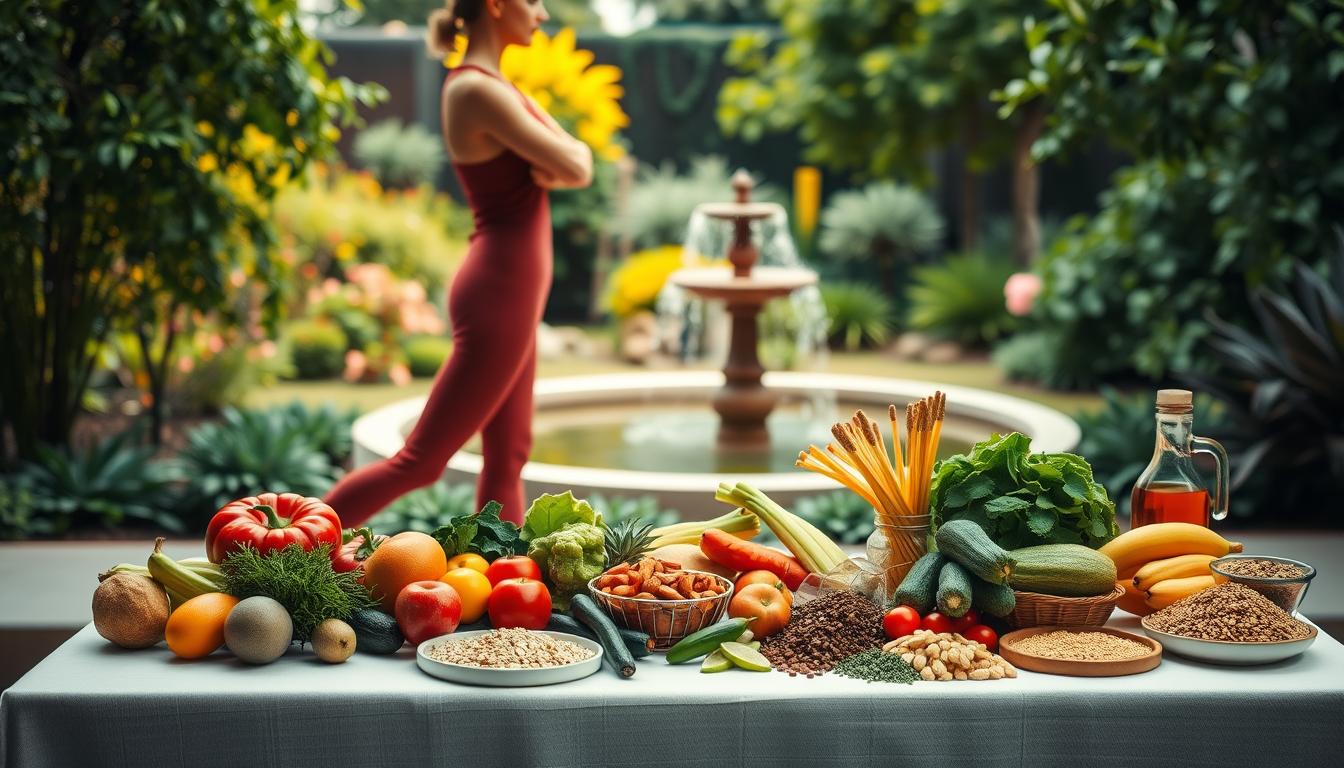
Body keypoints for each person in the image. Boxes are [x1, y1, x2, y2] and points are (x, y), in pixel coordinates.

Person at [325, 0, 593, 526]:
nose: (541, 13)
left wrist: (556, 164)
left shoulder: (497, 87)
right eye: (533, 1)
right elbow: (577, 164)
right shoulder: (476, 89)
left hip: (514, 292)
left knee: (509, 453)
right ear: (495, 5)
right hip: (499, 290)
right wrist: (549, 166)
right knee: (420, 461)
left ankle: (499, 585)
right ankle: (277, 552)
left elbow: (576, 162)